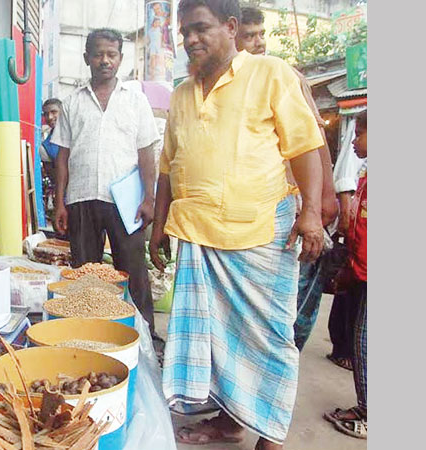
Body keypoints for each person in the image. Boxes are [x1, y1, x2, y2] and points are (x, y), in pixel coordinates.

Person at [149, 1, 324, 448]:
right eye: (184, 30)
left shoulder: (271, 73)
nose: (190, 39)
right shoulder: (183, 94)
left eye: (200, 28)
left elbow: (304, 146)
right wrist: (158, 228)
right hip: (197, 236)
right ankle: (229, 422)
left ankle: (271, 436)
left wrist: (311, 214)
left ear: (230, 27)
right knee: (216, 345)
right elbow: (168, 167)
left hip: (260, 233)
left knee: (268, 341)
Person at [235, 5, 339, 351]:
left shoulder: (286, 75)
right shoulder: (231, 81)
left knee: (289, 303)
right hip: (251, 210)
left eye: (261, 34)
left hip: (293, 202)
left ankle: (281, 365)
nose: (259, 42)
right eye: (250, 36)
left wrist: (324, 197)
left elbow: (315, 140)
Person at [51, 28, 161, 337]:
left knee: (133, 270)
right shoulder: (72, 102)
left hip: (125, 200)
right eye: (98, 54)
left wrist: (148, 198)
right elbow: (63, 156)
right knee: (86, 271)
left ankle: (145, 335)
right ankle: (91, 334)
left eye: (111, 55)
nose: (105, 60)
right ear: (87, 58)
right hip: (82, 197)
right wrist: (60, 201)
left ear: (120, 59)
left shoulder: (135, 101)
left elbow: (146, 153)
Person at [323, 110, 367, 440]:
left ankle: (367, 411)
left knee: (363, 341)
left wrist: (353, 271)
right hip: (361, 271)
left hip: (365, 273)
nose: (353, 140)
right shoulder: (366, 178)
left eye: (360, 133)